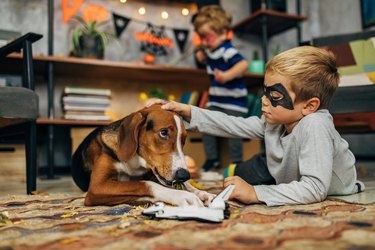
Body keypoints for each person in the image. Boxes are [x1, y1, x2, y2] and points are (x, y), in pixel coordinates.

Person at [147, 46, 365, 206]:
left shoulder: (315, 125)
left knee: (254, 180)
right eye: (265, 91)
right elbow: (234, 124)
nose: (264, 100)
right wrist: (188, 111)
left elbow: (315, 189)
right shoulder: (277, 120)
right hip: (286, 170)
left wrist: (255, 193)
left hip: (330, 186)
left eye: (276, 95)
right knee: (243, 172)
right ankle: (241, 170)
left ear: (309, 106)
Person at [192, 5, 249, 171]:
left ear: (223, 32)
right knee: (205, 124)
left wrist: (226, 76)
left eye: (207, 36)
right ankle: (212, 159)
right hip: (216, 100)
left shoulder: (227, 51)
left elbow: (243, 64)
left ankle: (237, 162)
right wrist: (200, 56)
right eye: (201, 37)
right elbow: (207, 60)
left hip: (234, 102)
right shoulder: (211, 50)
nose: (204, 41)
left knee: (234, 133)